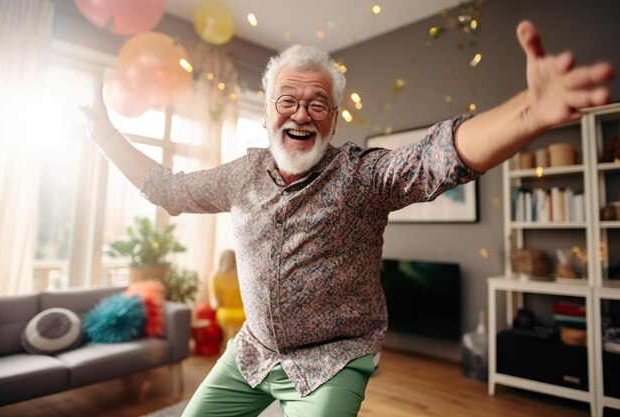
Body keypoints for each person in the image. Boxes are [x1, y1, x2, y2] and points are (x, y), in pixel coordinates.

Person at [81, 21, 613, 417]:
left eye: (318, 103)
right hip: (254, 351)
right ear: (267, 111)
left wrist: (529, 113)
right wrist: (105, 135)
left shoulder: (361, 177)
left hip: (332, 357)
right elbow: (169, 190)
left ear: (333, 119)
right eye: (287, 100)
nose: (301, 113)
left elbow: (436, 156)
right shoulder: (240, 175)